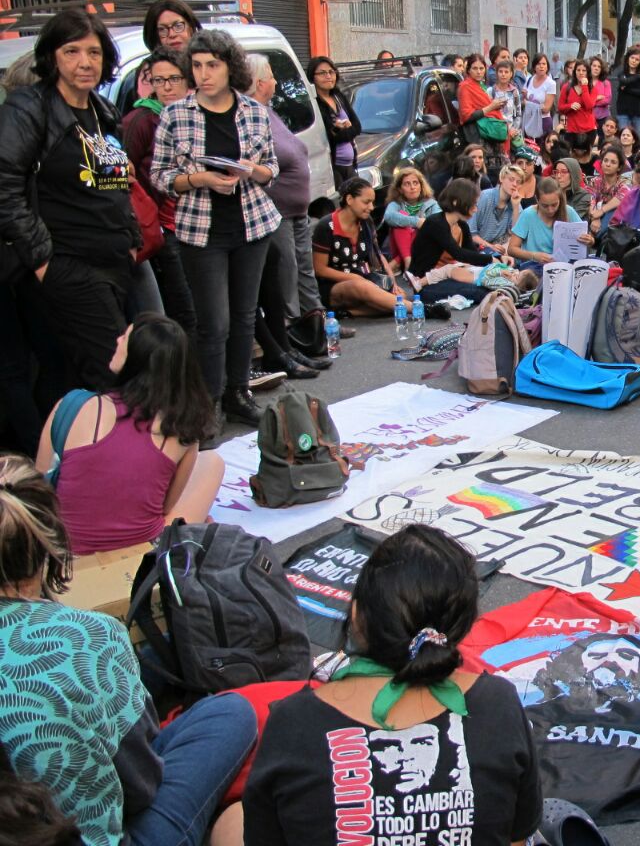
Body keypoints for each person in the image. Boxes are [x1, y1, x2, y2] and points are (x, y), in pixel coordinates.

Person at [0, 454, 258, 846]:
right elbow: (141, 788)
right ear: (48, 546)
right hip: (97, 834)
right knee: (233, 713)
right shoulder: (88, 636)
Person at [242, 523, 542, 846]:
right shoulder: (499, 704)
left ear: (356, 616)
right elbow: (516, 837)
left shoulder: (293, 722)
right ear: (463, 627)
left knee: (232, 820)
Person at [0, 9, 141, 396]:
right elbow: (5, 188)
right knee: (113, 372)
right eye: (72, 51)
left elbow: (115, 187)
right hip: (67, 263)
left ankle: (66, 453)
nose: (85, 63)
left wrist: (130, 240)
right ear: (52, 57)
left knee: (71, 375)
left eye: (94, 53)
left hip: (112, 261)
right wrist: (44, 259)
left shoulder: (101, 111)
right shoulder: (30, 108)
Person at [152, 29, 280, 427]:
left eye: (213, 65)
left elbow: (272, 169)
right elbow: (158, 176)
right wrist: (200, 180)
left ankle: (238, 392)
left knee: (244, 316)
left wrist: (252, 171)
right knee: (213, 322)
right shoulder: (175, 114)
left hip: (252, 224)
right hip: (200, 230)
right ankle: (208, 404)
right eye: (197, 65)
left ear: (230, 67)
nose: (204, 74)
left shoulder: (254, 112)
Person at [35, 313, 224, 553]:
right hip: (141, 549)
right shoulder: (181, 428)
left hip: (66, 546)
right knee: (212, 462)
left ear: (137, 358)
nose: (117, 340)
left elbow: (41, 482)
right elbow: (167, 507)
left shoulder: (71, 405)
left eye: (125, 337)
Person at [123, 48, 199, 338]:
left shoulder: (194, 114)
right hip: (165, 227)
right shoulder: (141, 120)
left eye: (174, 79)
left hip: (198, 224)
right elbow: (127, 175)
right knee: (186, 311)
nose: (166, 87)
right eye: (159, 80)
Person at [246, 53, 324, 328]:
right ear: (258, 83)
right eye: (270, 76)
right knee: (287, 269)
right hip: (276, 209)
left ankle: (316, 322)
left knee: (304, 266)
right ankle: (293, 328)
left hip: (296, 208)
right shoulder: (250, 116)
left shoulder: (270, 111)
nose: (275, 81)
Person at [313, 177, 404, 316]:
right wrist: (354, 278)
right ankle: (421, 309)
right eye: (366, 202)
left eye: (372, 202)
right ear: (349, 200)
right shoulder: (326, 226)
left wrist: (393, 283)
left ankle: (350, 312)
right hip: (334, 286)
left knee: (398, 296)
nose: (372, 207)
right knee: (369, 291)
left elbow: (378, 255)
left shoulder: (366, 221)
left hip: (365, 278)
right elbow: (320, 269)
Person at [507, 177, 587, 270]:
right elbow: (512, 249)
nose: (550, 210)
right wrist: (534, 256)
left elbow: (583, 241)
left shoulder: (568, 211)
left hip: (565, 265)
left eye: (554, 205)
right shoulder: (528, 214)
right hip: (535, 266)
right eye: (545, 206)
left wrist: (589, 240)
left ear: (560, 200)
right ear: (537, 199)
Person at [306, 56, 361, 186]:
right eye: (322, 73)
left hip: (350, 165)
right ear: (312, 77)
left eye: (331, 72)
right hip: (332, 167)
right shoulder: (314, 103)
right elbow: (327, 137)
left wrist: (343, 130)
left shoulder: (338, 96)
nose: (328, 76)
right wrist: (341, 130)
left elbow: (357, 126)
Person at [382, 166, 439, 272]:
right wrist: (417, 222)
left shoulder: (431, 204)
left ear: (421, 186)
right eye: (407, 184)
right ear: (400, 189)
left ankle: (398, 262)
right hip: (398, 248)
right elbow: (389, 216)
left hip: (423, 250)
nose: (412, 187)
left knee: (421, 229)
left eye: (415, 183)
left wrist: (420, 225)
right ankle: (408, 262)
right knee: (401, 218)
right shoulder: (396, 203)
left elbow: (438, 224)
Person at [470, 164, 522, 252]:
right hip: (477, 248)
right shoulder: (484, 197)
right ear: (501, 178)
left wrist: (516, 207)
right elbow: (471, 234)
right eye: (511, 179)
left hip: (501, 249)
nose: (514, 184)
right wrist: (490, 247)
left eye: (518, 182)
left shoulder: (516, 203)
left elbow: (516, 237)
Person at [586, 144, 631, 234]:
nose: (608, 164)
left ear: (619, 167)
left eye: (613, 162)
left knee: (612, 212)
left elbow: (620, 199)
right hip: (593, 216)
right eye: (605, 161)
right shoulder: (595, 181)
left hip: (613, 223)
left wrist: (602, 211)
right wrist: (595, 216)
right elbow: (591, 200)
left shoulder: (623, 184)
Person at [521, 53, 556, 140]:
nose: (541, 66)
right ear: (534, 66)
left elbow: (546, 109)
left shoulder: (551, 83)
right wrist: (530, 102)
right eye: (538, 64)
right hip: (529, 120)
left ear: (547, 66)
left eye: (544, 64)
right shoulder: (529, 79)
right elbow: (522, 102)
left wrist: (529, 99)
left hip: (543, 122)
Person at [615, 46, 640, 135]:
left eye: (637, 59)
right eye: (632, 58)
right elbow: (624, 81)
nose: (634, 61)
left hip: (638, 112)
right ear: (628, 58)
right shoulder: (622, 73)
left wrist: (625, 89)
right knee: (623, 137)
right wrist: (639, 76)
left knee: (638, 139)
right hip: (623, 112)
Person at [487, 59, 524, 136]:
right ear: (497, 73)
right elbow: (487, 113)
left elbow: (518, 114)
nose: (503, 74)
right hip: (495, 132)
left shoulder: (514, 91)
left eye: (506, 72)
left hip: (511, 132)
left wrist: (513, 129)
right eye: (500, 71)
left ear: (511, 74)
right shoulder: (491, 91)